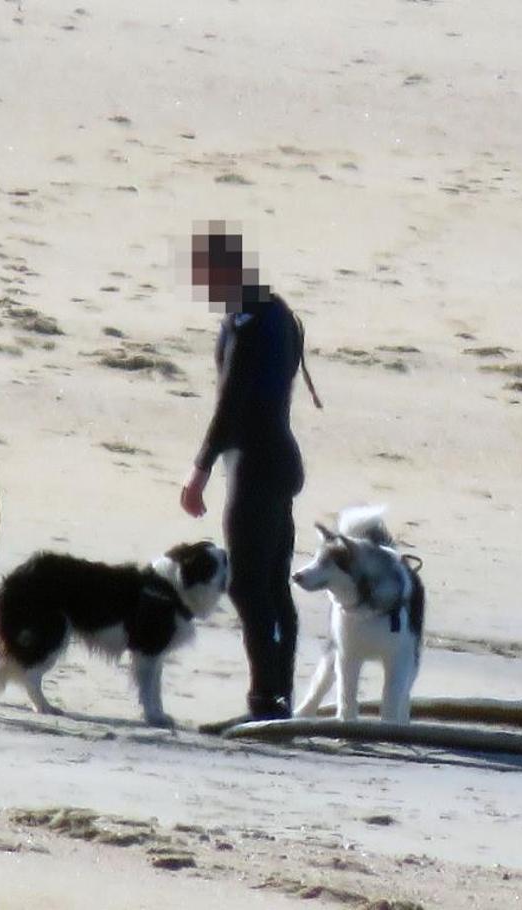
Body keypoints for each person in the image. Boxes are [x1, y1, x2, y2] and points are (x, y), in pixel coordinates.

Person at [179, 223, 321, 720]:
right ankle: (277, 696)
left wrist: (200, 469)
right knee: (273, 585)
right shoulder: (280, 313)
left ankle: (265, 700)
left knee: (245, 585)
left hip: (255, 465)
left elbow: (232, 400)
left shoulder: (247, 321)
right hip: (281, 460)